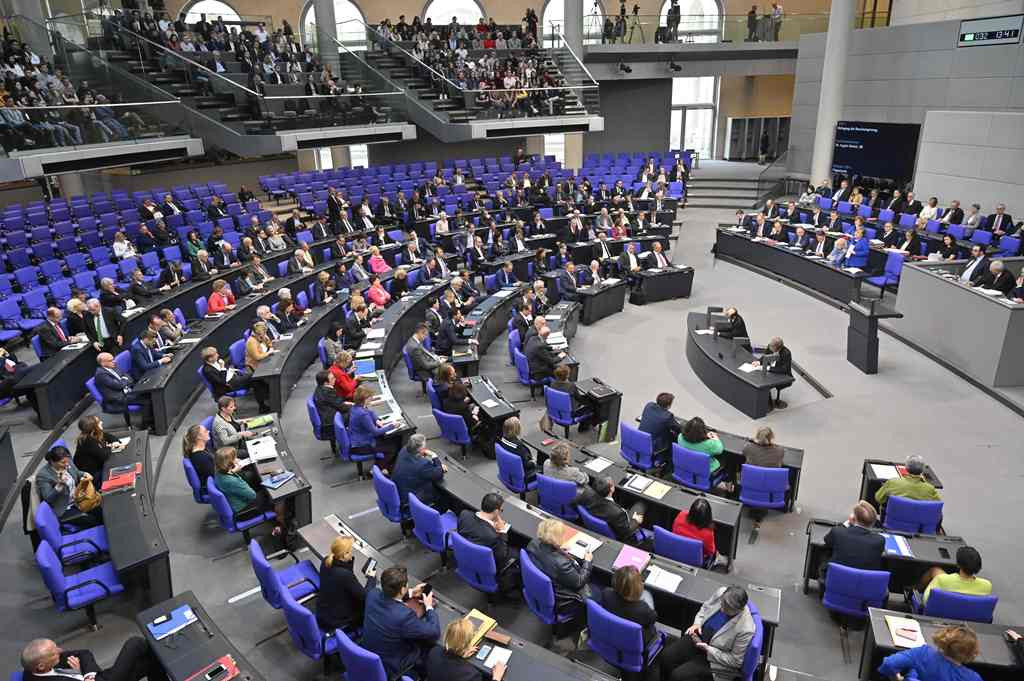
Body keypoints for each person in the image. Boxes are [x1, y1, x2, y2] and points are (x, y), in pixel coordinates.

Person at [659, 586, 754, 681]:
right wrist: (697, 623)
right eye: (722, 602)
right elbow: (705, 608)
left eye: (727, 608)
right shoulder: (721, 593)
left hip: (715, 659)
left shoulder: (746, 629)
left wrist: (708, 649)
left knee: (678, 676)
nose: (722, 609)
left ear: (739, 610)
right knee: (666, 657)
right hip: (698, 638)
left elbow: (735, 661)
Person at [361, 566, 440, 680]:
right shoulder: (403, 616)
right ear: (403, 589)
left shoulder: (372, 594)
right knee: (430, 647)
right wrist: (428, 606)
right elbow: (434, 632)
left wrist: (412, 592)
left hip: (370, 652)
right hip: (393, 663)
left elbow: (388, 597)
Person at [526, 518, 593, 624]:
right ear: (555, 539)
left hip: (545, 585)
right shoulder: (561, 564)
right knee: (596, 594)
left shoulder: (533, 543)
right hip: (563, 598)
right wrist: (587, 562)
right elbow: (579, 582)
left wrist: (558, 549)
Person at [19, 636, 168, 681]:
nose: (60, 650)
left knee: (150, 662)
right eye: (54, 652)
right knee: (135, 643)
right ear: (40, 666)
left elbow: (84, 653)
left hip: (97, 678)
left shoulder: (43, 663)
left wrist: (89, 675)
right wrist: (79, 673)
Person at [457, 492, 520, 595]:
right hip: (486, 564)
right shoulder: (492, 536)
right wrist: (502, 532)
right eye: (501, 510)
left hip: (466, 556)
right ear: (496, 511)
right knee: (517, 553)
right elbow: (501, 556)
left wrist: (490, 527)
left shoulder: (464, 514)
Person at [877, 625, 982, 681]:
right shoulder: (973, 678)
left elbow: (888, 664)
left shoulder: (922, 653)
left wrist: (897, 679)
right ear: (972, 653)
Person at [317, 535, 373, 634]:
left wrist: (349, 562)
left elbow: (346, 581)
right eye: (350, 551)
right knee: (372, 603)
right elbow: (365, 596)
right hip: (337, 621)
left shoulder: (326, 560)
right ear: (344, 554)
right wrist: (371, 579)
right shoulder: (344, 575)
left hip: (324, 612)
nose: (352, 552)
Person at [35, 446, 100, 528]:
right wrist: (59, 485)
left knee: (101, 510)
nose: (66, 464)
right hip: (65, 508)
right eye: (63, 462)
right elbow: (48, 498)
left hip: (79, 500)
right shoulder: (44, 475)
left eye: (67, 461)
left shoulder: (68, 462)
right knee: (92, 520)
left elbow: (76, 472)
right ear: (52, 462)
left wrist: (84, 474)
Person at [600, 565, 659, 654]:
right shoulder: (643, 609)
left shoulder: (606, 593)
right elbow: (653, 619)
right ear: (639, 587)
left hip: (613, 634)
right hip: (636, 642)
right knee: (647, 594)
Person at [426, 617, 508, 681]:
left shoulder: (434, 652)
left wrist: (460, 654)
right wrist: (497, 677)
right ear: (467, 643)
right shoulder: (470, 675)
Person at [821, 501, 885, 579]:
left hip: (836, 580)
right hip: (864, 586)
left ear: (853, 518)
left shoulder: (838, 532)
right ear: (874, 522)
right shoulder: (880, 540)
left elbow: (827, 540)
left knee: (826, 552)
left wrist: (846, 524)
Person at [583, 476, 649, 547]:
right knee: (641, 504)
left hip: (603, 519)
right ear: (611, 489)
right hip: (620, 534)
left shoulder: (587, 496)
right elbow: (626, 531)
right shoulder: (617, 513)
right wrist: (636, 521)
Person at [200, 346, 269, 412]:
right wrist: (223, 368)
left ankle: (263, 406)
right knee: (254, 376)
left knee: (256, 382)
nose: (218, 355)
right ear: (210, 359)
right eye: (215, 354)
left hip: (233, 378)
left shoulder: (215, 362)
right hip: (227, 386)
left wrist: (230, 371)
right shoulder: (207, 370)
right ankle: (267, 398)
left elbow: (223, 373)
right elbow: (222, 381)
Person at [917, 546, 992, 605]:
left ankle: (916, 589)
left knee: (934, 570)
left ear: (958, 565)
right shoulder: (987, 585)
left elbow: (925, 600)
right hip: (971, 617)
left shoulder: (942, 580)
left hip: (941, 614)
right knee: (935, 570)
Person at [391, 433, 447, 509]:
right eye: (424, 447)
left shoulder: (403, 450)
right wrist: (434, 457)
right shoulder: (422, 465)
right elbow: (438, 474)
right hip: (411, 498)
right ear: (420, 450)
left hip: (400, 491)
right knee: (444, 495)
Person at [874, 454, 941, 509]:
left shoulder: (892, 483)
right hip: (918, 523)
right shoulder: (930, 489)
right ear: (922, 470)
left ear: (906, 468)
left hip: (893, 522)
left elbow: (878, 498)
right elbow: (937, 506)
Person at [349, 385, 395, 461]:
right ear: (365, 399)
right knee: (392, 448)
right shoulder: (363, 415)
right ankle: (380, 468)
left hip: (356, 441)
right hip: (362, 446)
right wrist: (392, 426)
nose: (372, 398)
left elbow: (370, 411)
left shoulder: (355, 407)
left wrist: (376, 420)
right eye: (370, 397)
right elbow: (375, 432)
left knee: (387, 440)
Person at [72, 414, 121, 480]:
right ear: (93, 427)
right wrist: (111, 447)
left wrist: (115, 442)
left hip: (97, 465)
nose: (101, 422)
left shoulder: (94, 433)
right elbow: (104, 456)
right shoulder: (88, 440)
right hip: (92, 473)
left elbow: (108, 436)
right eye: (98, 422)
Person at [672, 498, 716, 565]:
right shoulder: (708, 533)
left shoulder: (681, 515)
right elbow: (710, 552)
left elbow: (674, 531)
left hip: (676, 552)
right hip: (695, 561)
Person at [751, 337, 792, 408]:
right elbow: (764, 356)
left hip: (782, 375)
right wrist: (758, 361)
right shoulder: (770, 346)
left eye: (772, 347)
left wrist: (768, 368)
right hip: (771, 372)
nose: (769, 347)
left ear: (777, 347)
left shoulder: (786, 353)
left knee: (765, 384)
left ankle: (768, 405)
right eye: (770, 345)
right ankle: (766, 402)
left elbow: (784, 369)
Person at [313, 370, 351, 436]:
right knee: (359, 413)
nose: (335, 379)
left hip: (328, 417)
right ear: (325, 383)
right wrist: (356, 406)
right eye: (332, 378)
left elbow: (337, 403)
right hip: (331, 423)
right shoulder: (327, 392)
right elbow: (342, 407)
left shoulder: (320, 388)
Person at [183, 422, 215, 493]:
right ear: (199, 437)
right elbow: (215, 478)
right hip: (212, 487)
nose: (208, 431)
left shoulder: (201, 449)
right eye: (205, 431)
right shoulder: (201, 458)